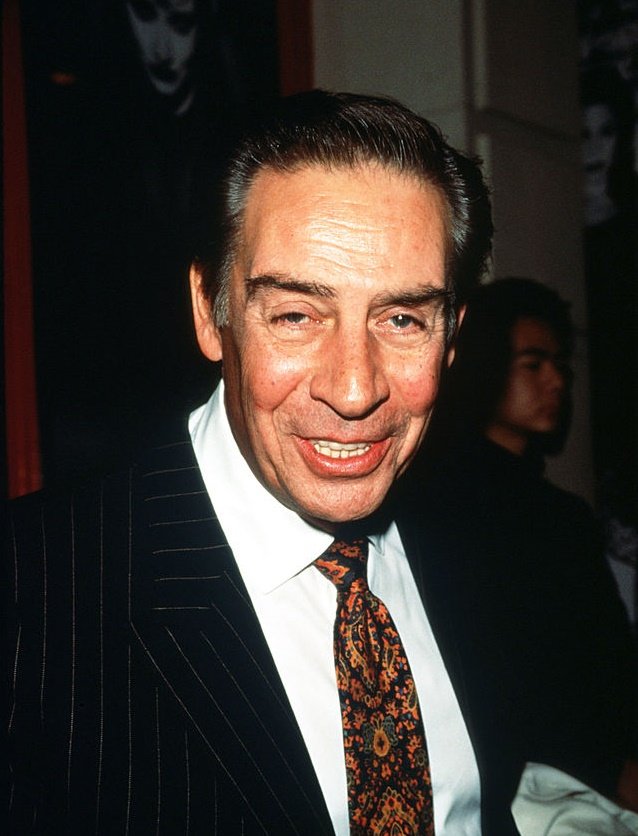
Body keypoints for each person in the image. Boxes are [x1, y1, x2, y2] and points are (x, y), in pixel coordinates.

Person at [6, 91, 522, 835]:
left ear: (450, 336)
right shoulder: (33, 600)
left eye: (402, 318)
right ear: (208, 311)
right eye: (295, 315)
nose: (354, 389)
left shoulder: (490, 544)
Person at [416, 277, 638, 812]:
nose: (556, 382)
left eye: (560, 365)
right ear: (485, 364)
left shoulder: (558, 512)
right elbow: (510, 675)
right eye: (533, 365)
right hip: (529, 781)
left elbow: (606, 662)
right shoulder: (445, 506)